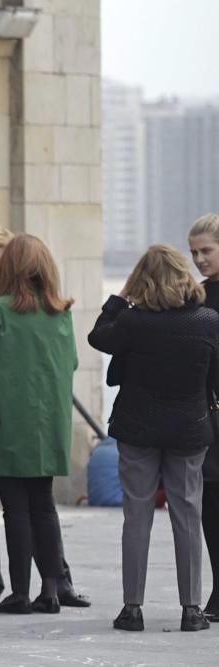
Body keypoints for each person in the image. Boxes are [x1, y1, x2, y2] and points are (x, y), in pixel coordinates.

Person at [0, 223, 89, 609]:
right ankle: (52, 590)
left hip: (6, 424)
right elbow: (71, 362)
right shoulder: (61, 312)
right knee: (44, 505)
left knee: (15, 509)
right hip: (48, 426)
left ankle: (21, 592)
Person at [90, 245, 218, 632]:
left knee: (138, 518)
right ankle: (191, 609)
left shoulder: (133, 322)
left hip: (137, 429)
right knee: (187, 517)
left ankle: (132, 608)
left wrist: (117, 300)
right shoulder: (208, 319)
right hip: (189, 429)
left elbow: (99, 338)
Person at [188, 212, 219, 622]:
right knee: (210, 504)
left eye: (207, 250)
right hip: (208, 415)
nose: (199, 259)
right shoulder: (195, 296)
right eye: (194, 252)